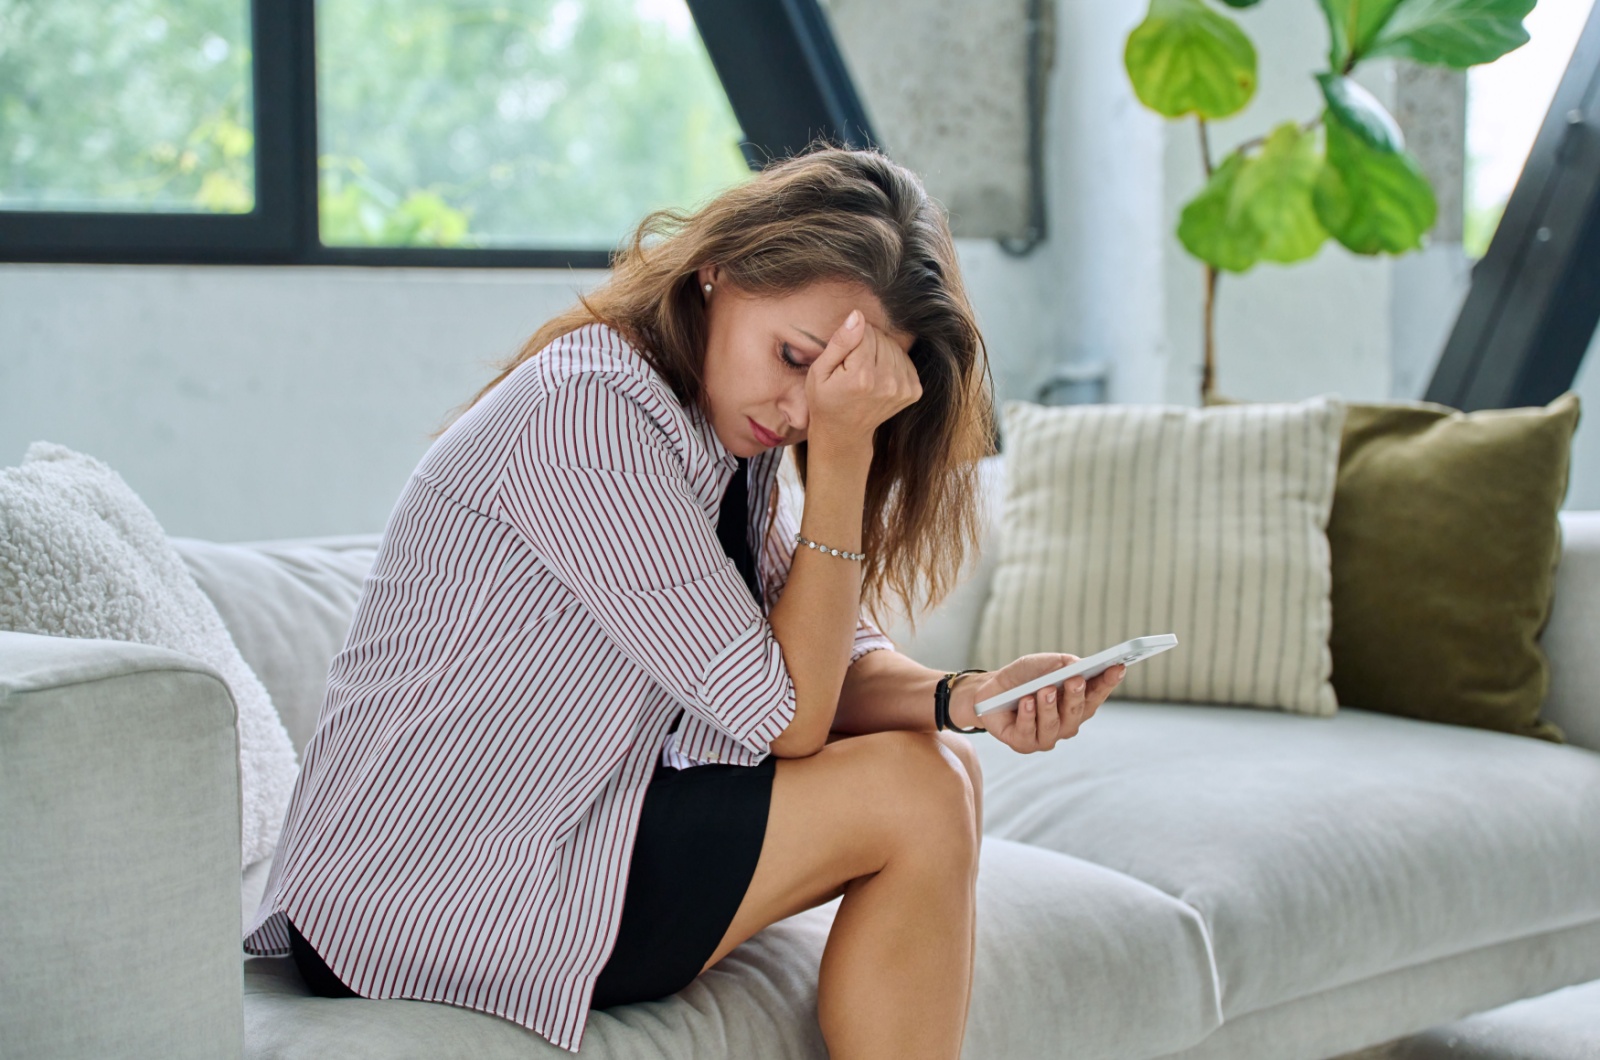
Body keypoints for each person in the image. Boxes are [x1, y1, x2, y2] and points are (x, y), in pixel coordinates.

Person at [243, 146, 1126, 1058]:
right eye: (796, 358)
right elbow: (787, 714)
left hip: (559, 832)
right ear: (721, 271)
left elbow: (817, 651)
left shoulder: (704, 430)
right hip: (428, 892)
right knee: (918, 793)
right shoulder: (591, 417)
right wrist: (843, 457)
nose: (798, 410)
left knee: (943, 767)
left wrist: (963, 697)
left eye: (836, 393)